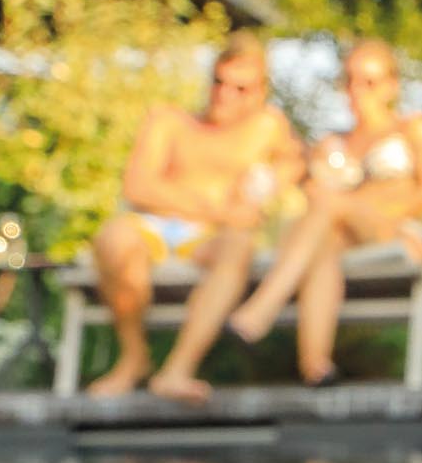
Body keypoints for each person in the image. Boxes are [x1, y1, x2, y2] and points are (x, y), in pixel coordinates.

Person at [86, 30, 303, 403]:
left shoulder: (267, 127)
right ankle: (133, 357)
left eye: (240, 88)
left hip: (209, 239)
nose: (225, 94)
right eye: (219, 82)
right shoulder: (169, 121)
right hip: (152, 227)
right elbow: (138, 186)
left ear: (260, 92)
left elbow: (298, 164)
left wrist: (264, 189)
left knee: (238, 247)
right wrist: (216, 207)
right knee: (114, 238)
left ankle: (177, 370)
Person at [230, 38, 422, 385]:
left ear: (391, 86)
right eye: (350, 80)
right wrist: (320, 166)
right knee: (323, 246)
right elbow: (311, 191)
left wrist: (382, 212)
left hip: (396, 229)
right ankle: (316, 365)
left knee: (330, 204)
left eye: (369, 81)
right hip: (345, 235)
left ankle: (260, 309)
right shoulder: (334, 141)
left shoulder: (412, 127)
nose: (358, 90)